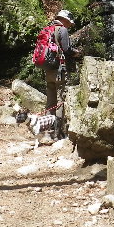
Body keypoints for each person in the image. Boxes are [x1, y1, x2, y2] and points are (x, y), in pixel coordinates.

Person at [43, 9, 80, 143]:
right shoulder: (62, 30)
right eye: (69, 22)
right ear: (64, 20)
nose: (70, 25)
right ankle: (57, 134)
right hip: (59, 70)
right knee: (59, 102)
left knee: (50, 102)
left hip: (48, 70)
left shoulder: (48, 29)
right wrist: (76, 52)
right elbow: (66, 49)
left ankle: (47, 133)